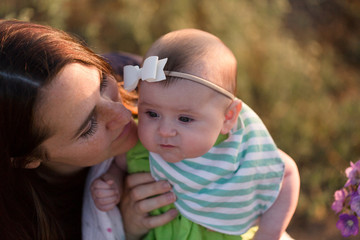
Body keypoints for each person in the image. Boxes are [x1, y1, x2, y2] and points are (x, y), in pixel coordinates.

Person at [92, 29, 300, 239]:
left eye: (184, 119)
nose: (164, 131)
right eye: (152, 113)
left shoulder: (237, 150)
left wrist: (269, 232)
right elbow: (118, 164)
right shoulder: (139, 147)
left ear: (227, 118)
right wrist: (112, 184)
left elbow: (285, 173)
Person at [0, 19, 178, 240]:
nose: (124, 115)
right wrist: (126, 231)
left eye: (103, 83)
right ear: (28, 159)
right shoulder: (23, 227)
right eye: (89, 127)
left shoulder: (141, 76)